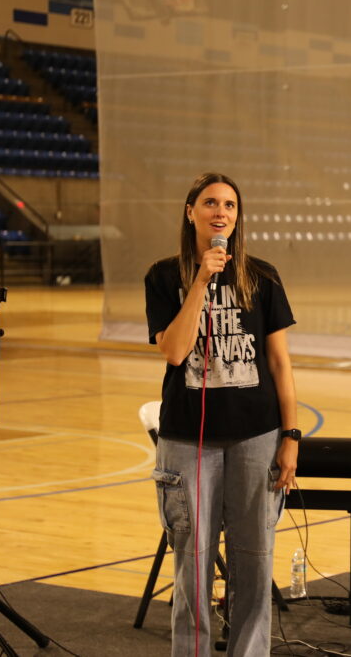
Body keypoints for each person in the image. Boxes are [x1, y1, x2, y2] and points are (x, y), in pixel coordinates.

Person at [144, 172, 299, 656]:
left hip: (256, 437)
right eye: (210, 202)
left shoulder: (263, 276)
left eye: (230, 205)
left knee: (254, 562)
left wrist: (291, 436)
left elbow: (280, 363)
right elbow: (174, 351)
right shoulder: (163, 276)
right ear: (190, 212)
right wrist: (201, 281)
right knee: (192, 565)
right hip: (187, 440)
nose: (221, 212)